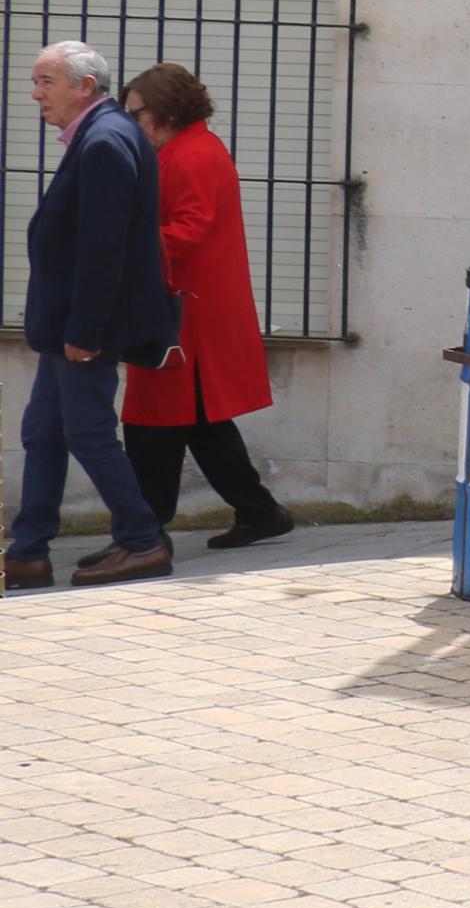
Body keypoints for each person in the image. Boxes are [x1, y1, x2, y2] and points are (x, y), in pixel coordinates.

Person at [8, 41, 174, 590]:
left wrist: (84, 330)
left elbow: (104, 249)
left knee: (88, 433)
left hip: (81, 327)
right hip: (66, 324)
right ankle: (28, 552)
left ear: (84, 87)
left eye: (46, 81)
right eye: (35, 81)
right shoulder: (103, 134)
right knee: (44, 433)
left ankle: (143, 540)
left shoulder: (104, 140)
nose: (36, 93)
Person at [115, 64, 292, 552]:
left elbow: (187, 231)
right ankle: (257, 512)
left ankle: (146, 530)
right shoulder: (193, 149)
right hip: (190, 308)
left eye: (136, 114)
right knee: (196, 421)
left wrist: (120, 243)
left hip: (185, 312)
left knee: (154, 421)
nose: (131, 124)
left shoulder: (191, 155)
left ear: (166, 111)